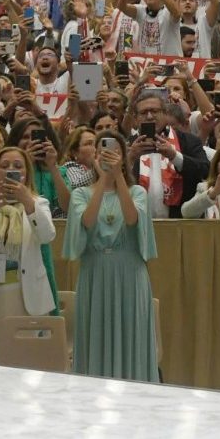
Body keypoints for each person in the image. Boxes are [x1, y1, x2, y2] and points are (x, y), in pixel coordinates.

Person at [64, 130, 158, 382]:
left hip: (130, 275)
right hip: (95, 275)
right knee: (95, 336)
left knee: (131, 339)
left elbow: (131, 219)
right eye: (103, 151)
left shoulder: (137, 192)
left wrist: (117, 178)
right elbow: (87, 221)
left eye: (116, 151)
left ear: (123, 157)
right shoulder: (80, 194)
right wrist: (103, 179)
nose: (109, 155)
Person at [0, 147, 57, 363]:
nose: (10, 170)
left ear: (27, 173)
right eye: (4, 166)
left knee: (24, 360)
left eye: (18, 166)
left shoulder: (38, 203)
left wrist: (28, 202)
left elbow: (47, 235)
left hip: (25, 294)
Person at [128, 93, 209, 218]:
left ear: (165, 113)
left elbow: (205, 171)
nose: (149, 116)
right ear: (135, 118)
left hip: (180, 223)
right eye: (143, 112)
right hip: (138, 222)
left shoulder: (188, 141)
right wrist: (130, 158)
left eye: (154, 111)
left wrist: (175, 156)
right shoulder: (128, 144)